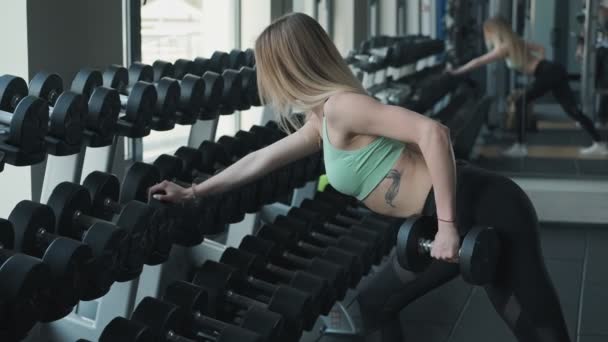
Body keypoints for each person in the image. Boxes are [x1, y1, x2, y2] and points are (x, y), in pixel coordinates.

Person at [149, 12, 571, 342]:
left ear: (289, 64)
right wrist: (193, 191)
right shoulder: (322, 120)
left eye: (268, 66)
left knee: (535, 324)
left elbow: (433, 133)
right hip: (444, 212)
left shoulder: (342, 107)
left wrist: (446, 227)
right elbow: (262, 159)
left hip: (482, 204)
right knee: (376, 306)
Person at [449, 16, 607, 157]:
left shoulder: (503, 48)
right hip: (552, 70)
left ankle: (520, 146)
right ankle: (600, 144)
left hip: (548, 71)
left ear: (493, 32)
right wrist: (540, 68)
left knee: (520, 103)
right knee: (572, 110)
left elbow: (478, 61)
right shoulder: (516, 42)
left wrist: (456, 71)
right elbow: (541, 49)